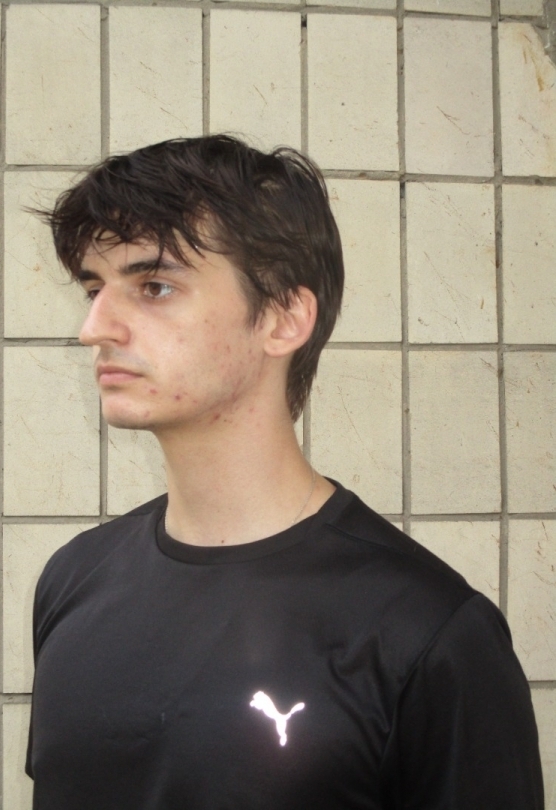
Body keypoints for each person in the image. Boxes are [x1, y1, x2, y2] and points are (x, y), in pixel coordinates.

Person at [26, 135, 543, 809]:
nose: (94, 328)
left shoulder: (427, 632)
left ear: (282, 317)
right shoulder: (74, 579)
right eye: (94, 288)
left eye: (153, 286)